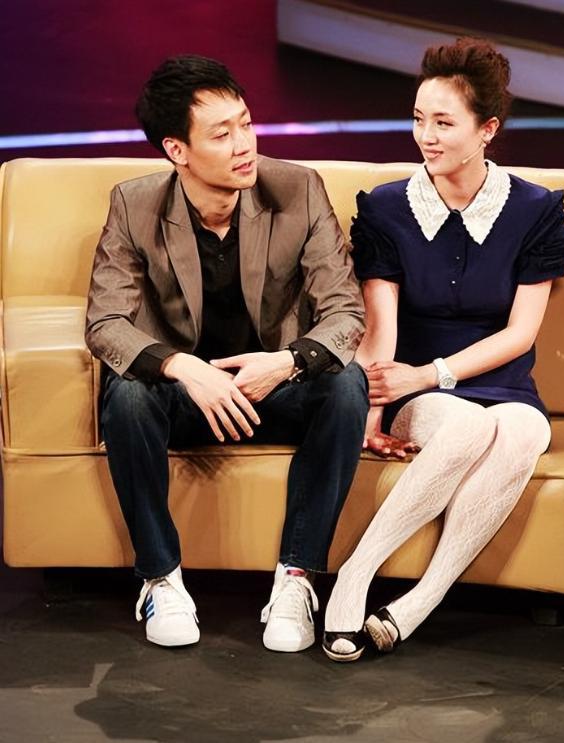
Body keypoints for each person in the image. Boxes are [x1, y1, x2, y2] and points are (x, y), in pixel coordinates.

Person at [85, 55, 368, 652]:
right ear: (177, 150)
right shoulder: (135, 205)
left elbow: (346, 312)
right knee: (127, 393)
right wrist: (183, 367)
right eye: (221, 134)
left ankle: (297, 578)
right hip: (186, 398)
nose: (245, 145)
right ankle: (161, 578)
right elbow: (105, 324)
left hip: (272, 388)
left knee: (346, 384)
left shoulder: (299, 189)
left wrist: (287, 362)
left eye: (246, 124)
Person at [323, 37, 564, 661]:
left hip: (496, 380)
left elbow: (520, 334)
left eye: (443, 123)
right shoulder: (386, 208)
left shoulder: (535, 210)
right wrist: (372, 408)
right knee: (466, 426)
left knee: (524, 431)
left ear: (487, 130)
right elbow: (380, 329)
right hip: (413, 387)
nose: (425, 137)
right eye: (418, 119)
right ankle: (355, 575)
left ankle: (423, 598)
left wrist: (428, 373)